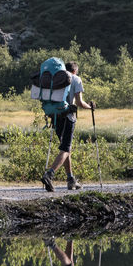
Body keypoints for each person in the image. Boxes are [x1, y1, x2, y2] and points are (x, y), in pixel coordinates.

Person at [42, 61, 94, 192]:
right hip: (68, 117)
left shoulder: (57, 78)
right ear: (75, 71)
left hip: (55, 116)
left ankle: (71, 180)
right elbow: (79, 102)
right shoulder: (76, 79)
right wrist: (90, 107)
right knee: (65, 149)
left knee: (65, 149)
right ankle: (49, 174)